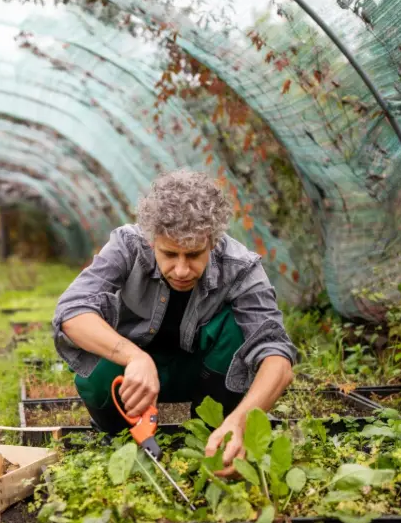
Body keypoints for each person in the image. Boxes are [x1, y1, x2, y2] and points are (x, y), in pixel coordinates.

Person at [52, 170, 297, 477]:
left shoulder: (239, 266)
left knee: (238, 329)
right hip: (133, 378)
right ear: (151, 241)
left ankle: (217, 433)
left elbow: (277, 357)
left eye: (194, 255)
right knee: (97, 361)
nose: (181, 270)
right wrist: (135, 357)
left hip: (203, 374)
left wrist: (242, 421)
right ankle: (118, 438)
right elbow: (71, 310)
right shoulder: (128, 246)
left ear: (212, 242)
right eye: (169, 254)